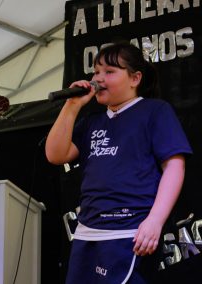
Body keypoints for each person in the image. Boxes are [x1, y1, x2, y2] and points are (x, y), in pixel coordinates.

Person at [45, 41, 192, 283]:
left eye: (110, 72)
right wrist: (72, 107)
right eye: (96, 72)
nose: (99, 78)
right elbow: (55, 155)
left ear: (135, 78)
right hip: (87, 232)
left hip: (129, 230)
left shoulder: (154, 111)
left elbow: (175, 166)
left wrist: (155, 220)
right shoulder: (92, 121)